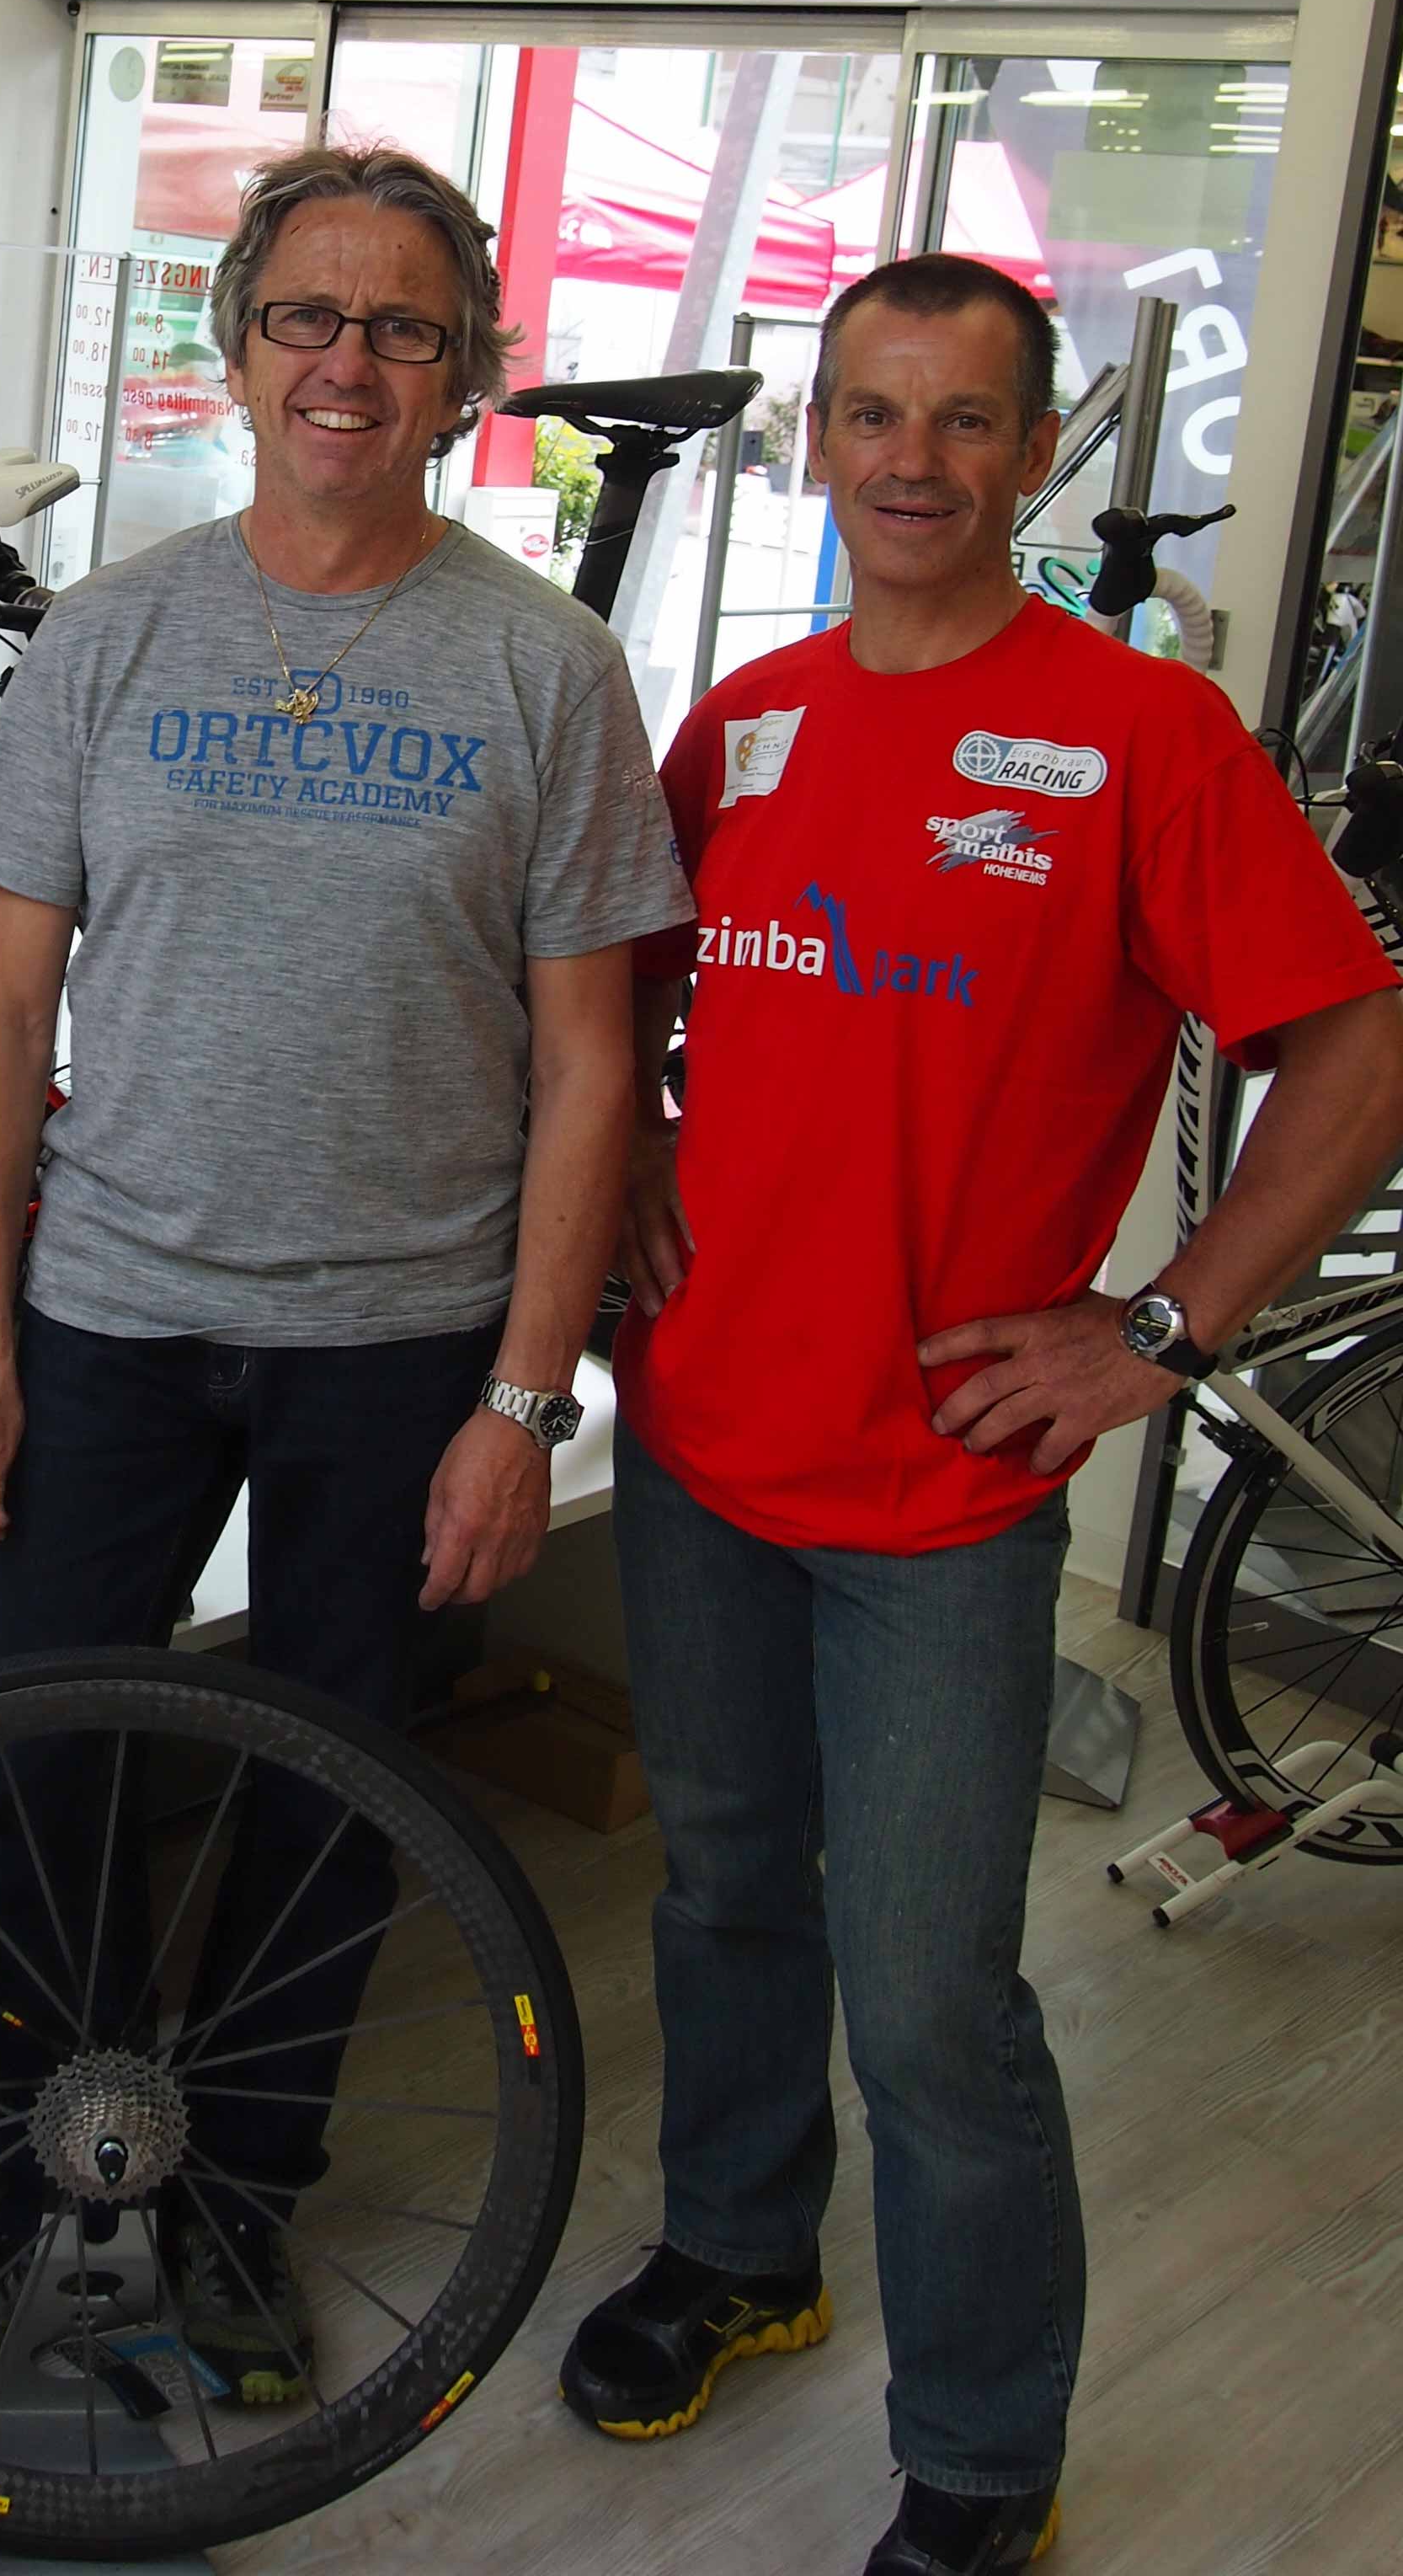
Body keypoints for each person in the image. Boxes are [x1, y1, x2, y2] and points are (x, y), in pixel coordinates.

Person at [569, 253, 1403, 2576]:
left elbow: (1359, 1053)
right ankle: (743, 2248)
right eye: (872, 413)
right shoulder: (748, 723)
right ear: (817, 444)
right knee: (726, 1894)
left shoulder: (1145, 740)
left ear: (1039, 455)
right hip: (704, 1445)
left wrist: (1167, 1330)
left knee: (934, 1999)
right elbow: (614, 1001)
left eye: (963, 421)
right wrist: (634, 1154)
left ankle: (983, 2446)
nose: (912, 462)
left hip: (945, 1490)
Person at [0, 140, 691, 2410]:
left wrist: (523, 1401)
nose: (351, 362)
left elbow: (594, 1066)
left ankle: (235, 2205)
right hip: (111, 1318)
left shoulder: (546, 667)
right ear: (235, 354)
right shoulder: (114, 634)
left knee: (334, 1796)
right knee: (51, 1780)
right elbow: (2, 1021)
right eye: (307, 318)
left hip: (400, 1345)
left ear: (467, 377)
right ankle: (36, 2207)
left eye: (404, 327)